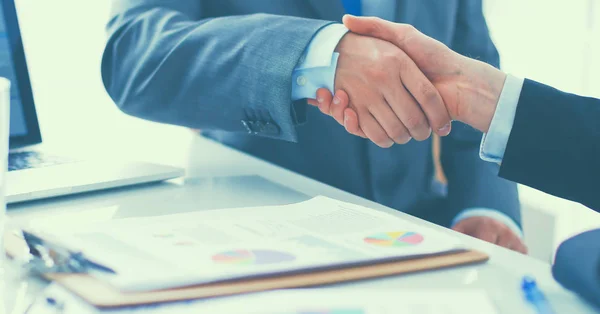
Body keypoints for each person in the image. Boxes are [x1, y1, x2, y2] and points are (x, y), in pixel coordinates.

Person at [101, 1, 525, 253]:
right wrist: (317, 53)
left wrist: (487, 207)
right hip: (254, 245)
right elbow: (133, 52)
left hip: (417, 244)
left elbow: (472, 82)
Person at [317, 16, 600, 307]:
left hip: (425, 257)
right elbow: (462, 77)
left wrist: (486, 204)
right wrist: (320, 48)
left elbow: (471, 52)